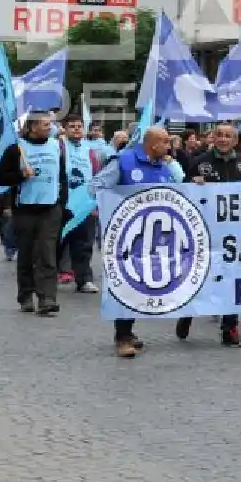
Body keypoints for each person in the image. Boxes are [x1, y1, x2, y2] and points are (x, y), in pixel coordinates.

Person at [93, 125, 182, 358]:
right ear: (152, 143)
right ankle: (121, 337)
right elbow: (96, 187)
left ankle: (128, 330)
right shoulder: (123, 160)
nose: (169, 146)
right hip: (124, 236)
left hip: (152, 238)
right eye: (165, 142)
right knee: (125, 283)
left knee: (140, 285)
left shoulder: (164, 167)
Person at [181, 122, 241, 342]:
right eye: (219, 135)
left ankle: (229, 328)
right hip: (205, 230)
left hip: (234, 233)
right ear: (213, 138)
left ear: (235, 141)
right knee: (202, 275)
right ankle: (188, 312)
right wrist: (192, 183)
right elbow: (183, 190)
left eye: (227, 136)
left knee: (231, 277)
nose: (223, 139)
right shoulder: (199, 162)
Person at [0, 112, 67, 316]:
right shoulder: (16, 149)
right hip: (25, 209)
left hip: (50, 208)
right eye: (45, 124)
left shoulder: (56, 146)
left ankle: (47, 298)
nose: (49, 127)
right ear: (33, 127)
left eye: (50, 124)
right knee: (26, 253)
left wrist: (63, 204)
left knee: (47, 253)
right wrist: (20, 175)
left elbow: (62, 177)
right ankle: (25, 294)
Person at [57, 114, 98, 295]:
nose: (76, 129)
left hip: (84, 204)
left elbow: (96, 172)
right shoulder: (58, 146)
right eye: (72, 126)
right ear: (64, 129)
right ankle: (49, 277)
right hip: (62, 203)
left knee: (83, 245)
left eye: (79, 126)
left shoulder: (89, 150)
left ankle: (84, 280)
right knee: (56, 242)